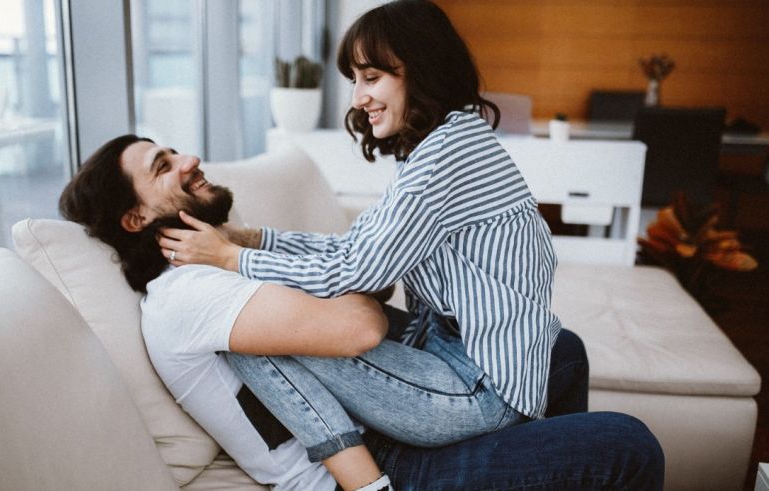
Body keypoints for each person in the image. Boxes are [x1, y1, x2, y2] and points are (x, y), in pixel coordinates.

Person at [59, 133, 664, 490]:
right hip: (372, 457)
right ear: (136, 220)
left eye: (174, 151)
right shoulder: (191, 295)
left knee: (562, 349)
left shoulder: (215, 263)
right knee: (628, 446)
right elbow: (363, 321)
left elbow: (362, 286)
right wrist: (318, 274)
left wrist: (251, 247)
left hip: (384, 411)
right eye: (163, 168)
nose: (188, 160)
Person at [161, 0, 557, 435]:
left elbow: (357, 272)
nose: (357, 98)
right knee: (270, 322)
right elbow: (355, 247)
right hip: (468, 354)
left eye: (372, 77)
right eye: (354, 80)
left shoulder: (444, 158)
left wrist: (228, 260)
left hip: (482, 388)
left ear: (423, 69)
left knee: (250, 332)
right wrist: (252, 240)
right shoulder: (442, 143)